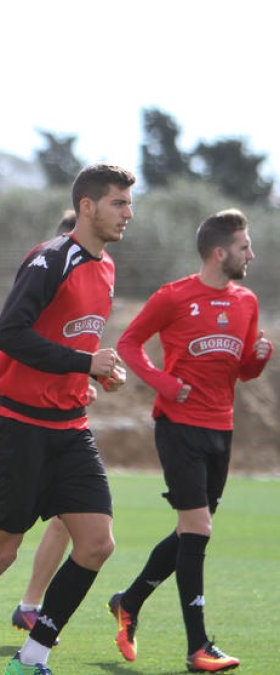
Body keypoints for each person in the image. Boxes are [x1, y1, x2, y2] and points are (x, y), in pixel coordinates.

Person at [0, 164, 136, 675]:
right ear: (86, 206)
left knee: (96, 544)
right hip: (19, 428)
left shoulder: (105, 267)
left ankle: (33, 655)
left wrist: (89, 377)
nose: (128, 214)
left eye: (130, 204)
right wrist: (84, 363)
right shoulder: (50, 260)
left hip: (70, 429)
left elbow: (66, 342)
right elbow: (9, 338)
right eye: (118, 204)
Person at [108, 208, 271, 672]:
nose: (250, 254)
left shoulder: (246, 302)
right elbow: (128, 345)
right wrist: (163, 383)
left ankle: (129, 601)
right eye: (244, 247)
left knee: (189, 532)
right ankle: (198, 646)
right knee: (198, 530)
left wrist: (258, 359)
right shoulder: (174, 296)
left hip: (223, 428)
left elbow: (241, 371)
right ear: (220, 252)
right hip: (178, 428)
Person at [0, 209, 82, 645]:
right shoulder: (44, 270)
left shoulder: (92, 282)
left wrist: (82, 380)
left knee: (73, 518)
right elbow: (0, 347)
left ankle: (30, 605)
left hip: (65, 421)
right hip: (20, 420)